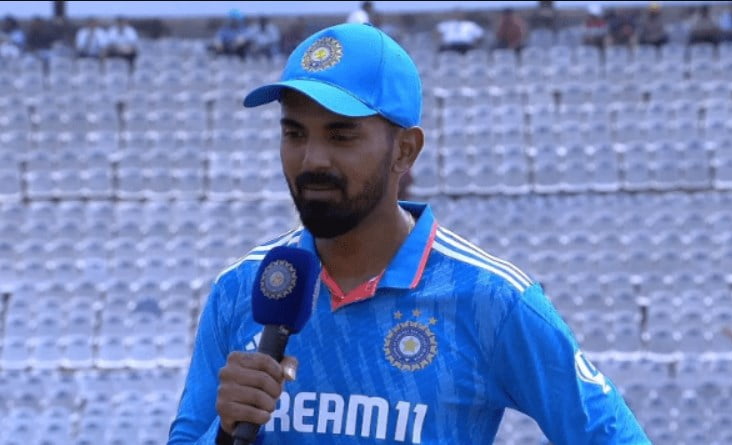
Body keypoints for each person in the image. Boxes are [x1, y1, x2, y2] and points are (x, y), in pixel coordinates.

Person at [167, 23, 651, 445]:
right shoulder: (242, 287)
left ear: (405, 151)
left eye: (340, 135)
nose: (311, 159)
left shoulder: (491, 299)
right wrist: (225, 433)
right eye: (294, 133)